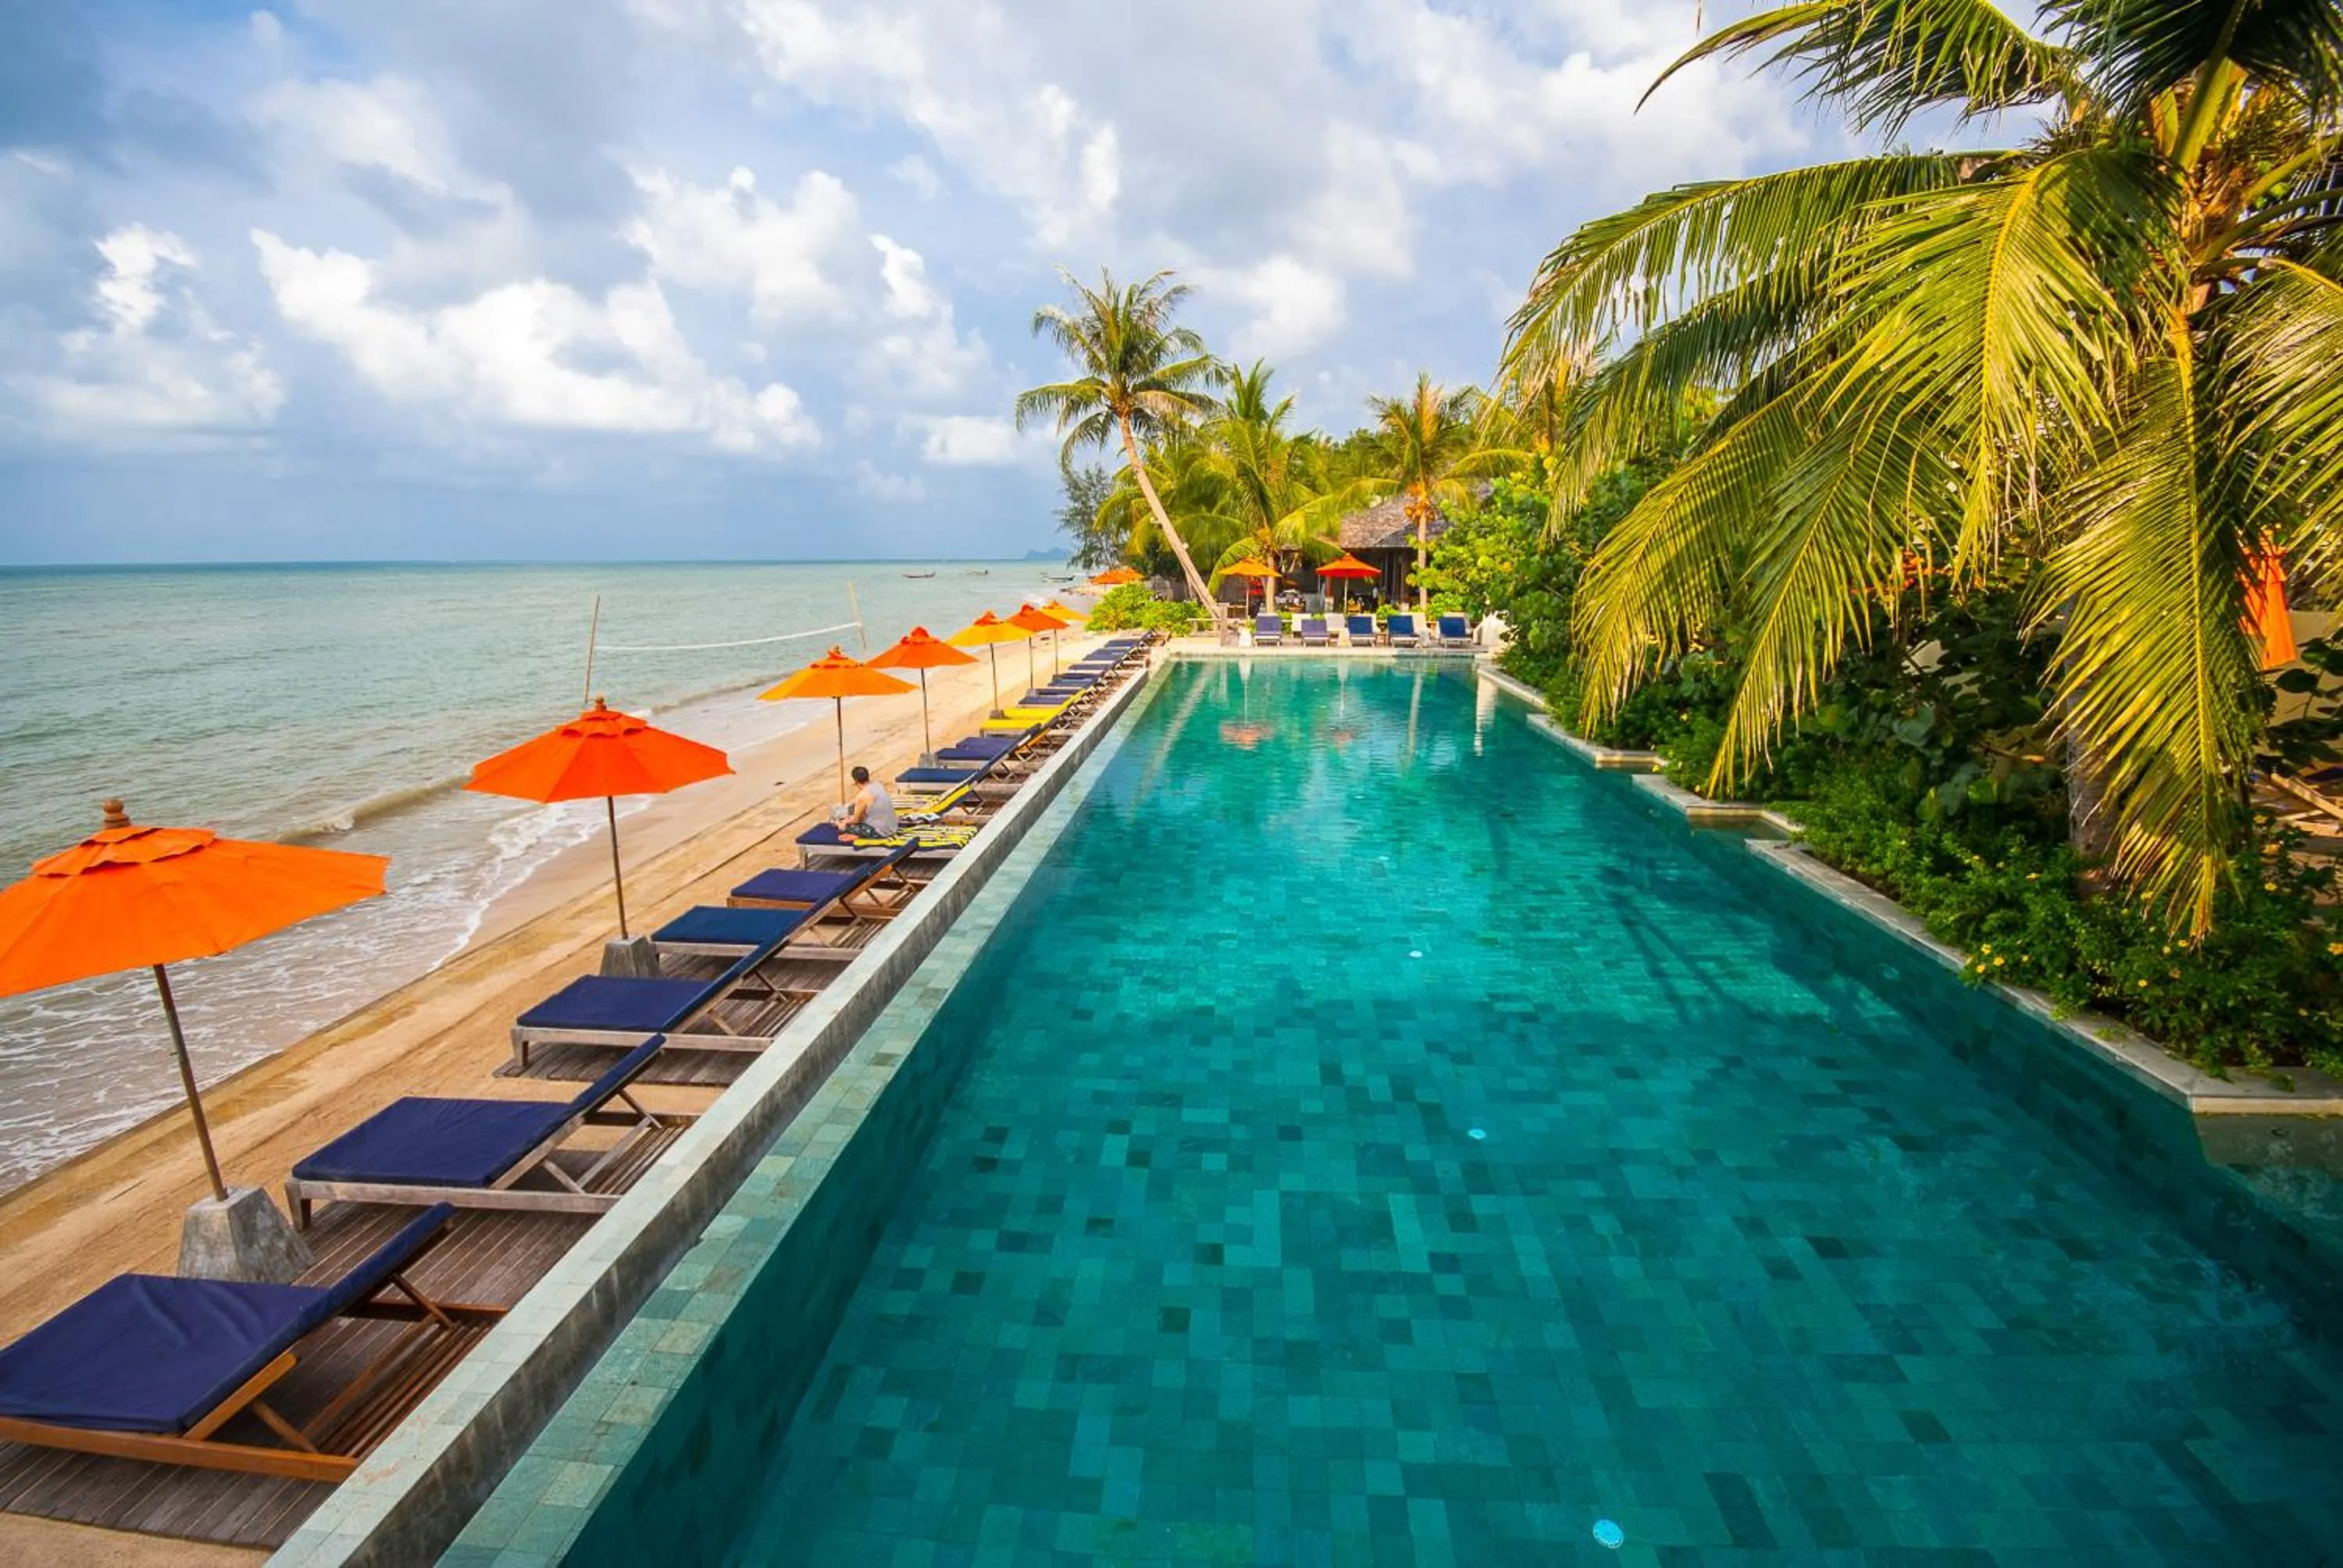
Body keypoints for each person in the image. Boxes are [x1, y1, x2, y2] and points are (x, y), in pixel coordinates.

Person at [831, 764, 898, 839]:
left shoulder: (862, 796)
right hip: (893, 826)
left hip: (882, 832)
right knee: (852, 810)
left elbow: (856, 820)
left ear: (855, 780)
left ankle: (840, 825)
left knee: (844, 826)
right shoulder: (878, 784)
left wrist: (844, 822)